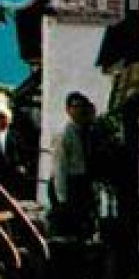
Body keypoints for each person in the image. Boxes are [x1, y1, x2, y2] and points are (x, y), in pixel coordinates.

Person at [50, 92, 97, 243]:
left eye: (82, 106)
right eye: (75, 107)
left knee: (84, 226)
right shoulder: (64, 134)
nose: (79, 110)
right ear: (68, 110)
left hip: (82, 182)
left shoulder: (86, 131)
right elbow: (60, 166)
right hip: (69, 183)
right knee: (69, 229)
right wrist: (62, 197)